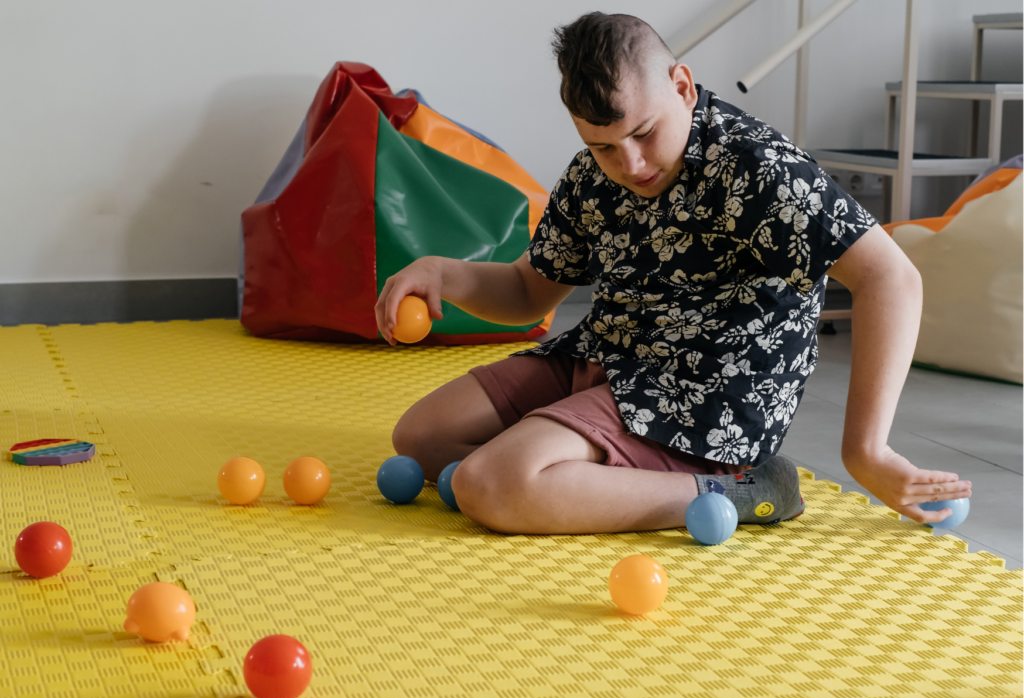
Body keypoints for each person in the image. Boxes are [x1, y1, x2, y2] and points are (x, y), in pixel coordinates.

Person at [373, 12, 971, 535]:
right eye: (603, 146)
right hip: (612, 357)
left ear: (681, 86)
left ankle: (745, 488)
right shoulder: (593, 176)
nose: (629, 163)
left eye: (642, 132)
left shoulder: (758, 168)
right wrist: (440, 273)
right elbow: (530, 290)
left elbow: (892, 278)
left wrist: (866, 450)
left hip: (709, 396)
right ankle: (576, 465)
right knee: (422, 437)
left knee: (490, 484)